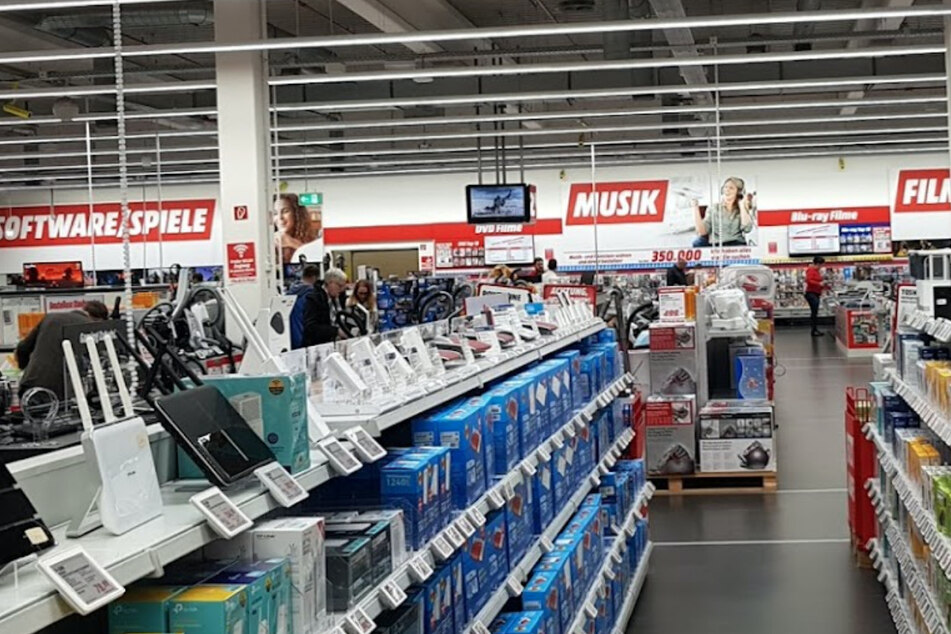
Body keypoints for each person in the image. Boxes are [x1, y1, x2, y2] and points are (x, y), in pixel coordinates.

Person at [16, 300, 109, 399]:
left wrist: (24, 367)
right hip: (61, 391)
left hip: (32, 383)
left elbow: (22, 348)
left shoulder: (50, 318)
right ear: (100, 319)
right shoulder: (90, 326)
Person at [692, 177, 755, 247]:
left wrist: (742, 205)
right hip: (717, 244)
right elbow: (702, 232)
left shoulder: (742, 208)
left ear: (738, 192)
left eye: (731, 188)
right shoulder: (714, 208)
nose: (727, 190)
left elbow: (747, 229)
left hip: (736, 244)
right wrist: (695, 207)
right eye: (725, 187)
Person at [302, 267, 347, 347]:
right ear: (330, 283)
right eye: (339, 286)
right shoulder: (314, 299)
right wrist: (335, 331)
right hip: (319, 345)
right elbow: (310, 327)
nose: (342, 289)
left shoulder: (339, 298)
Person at [274, 193, 320, 265]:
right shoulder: (269, 242)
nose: (280, 217)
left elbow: (317, 260)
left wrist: (292, 243)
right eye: (275, 213)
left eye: (285, 211)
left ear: (296, 214)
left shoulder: (313, 239)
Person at [288, 264, 320, 349]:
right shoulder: (310, 295)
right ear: (314, 277)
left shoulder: (291, 292)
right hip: (304, 337)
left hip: (290, 336)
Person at [805, 256, 827, 337]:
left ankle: (814, 330)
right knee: (814, 312)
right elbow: (809, 280)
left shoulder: (816, 271)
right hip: (811, 293)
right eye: (821, 265)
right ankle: (814, 330)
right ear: (818, 264)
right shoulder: (811, 270)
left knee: (814, 312)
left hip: (815, 293)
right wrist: (819, 284)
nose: (822, 267)